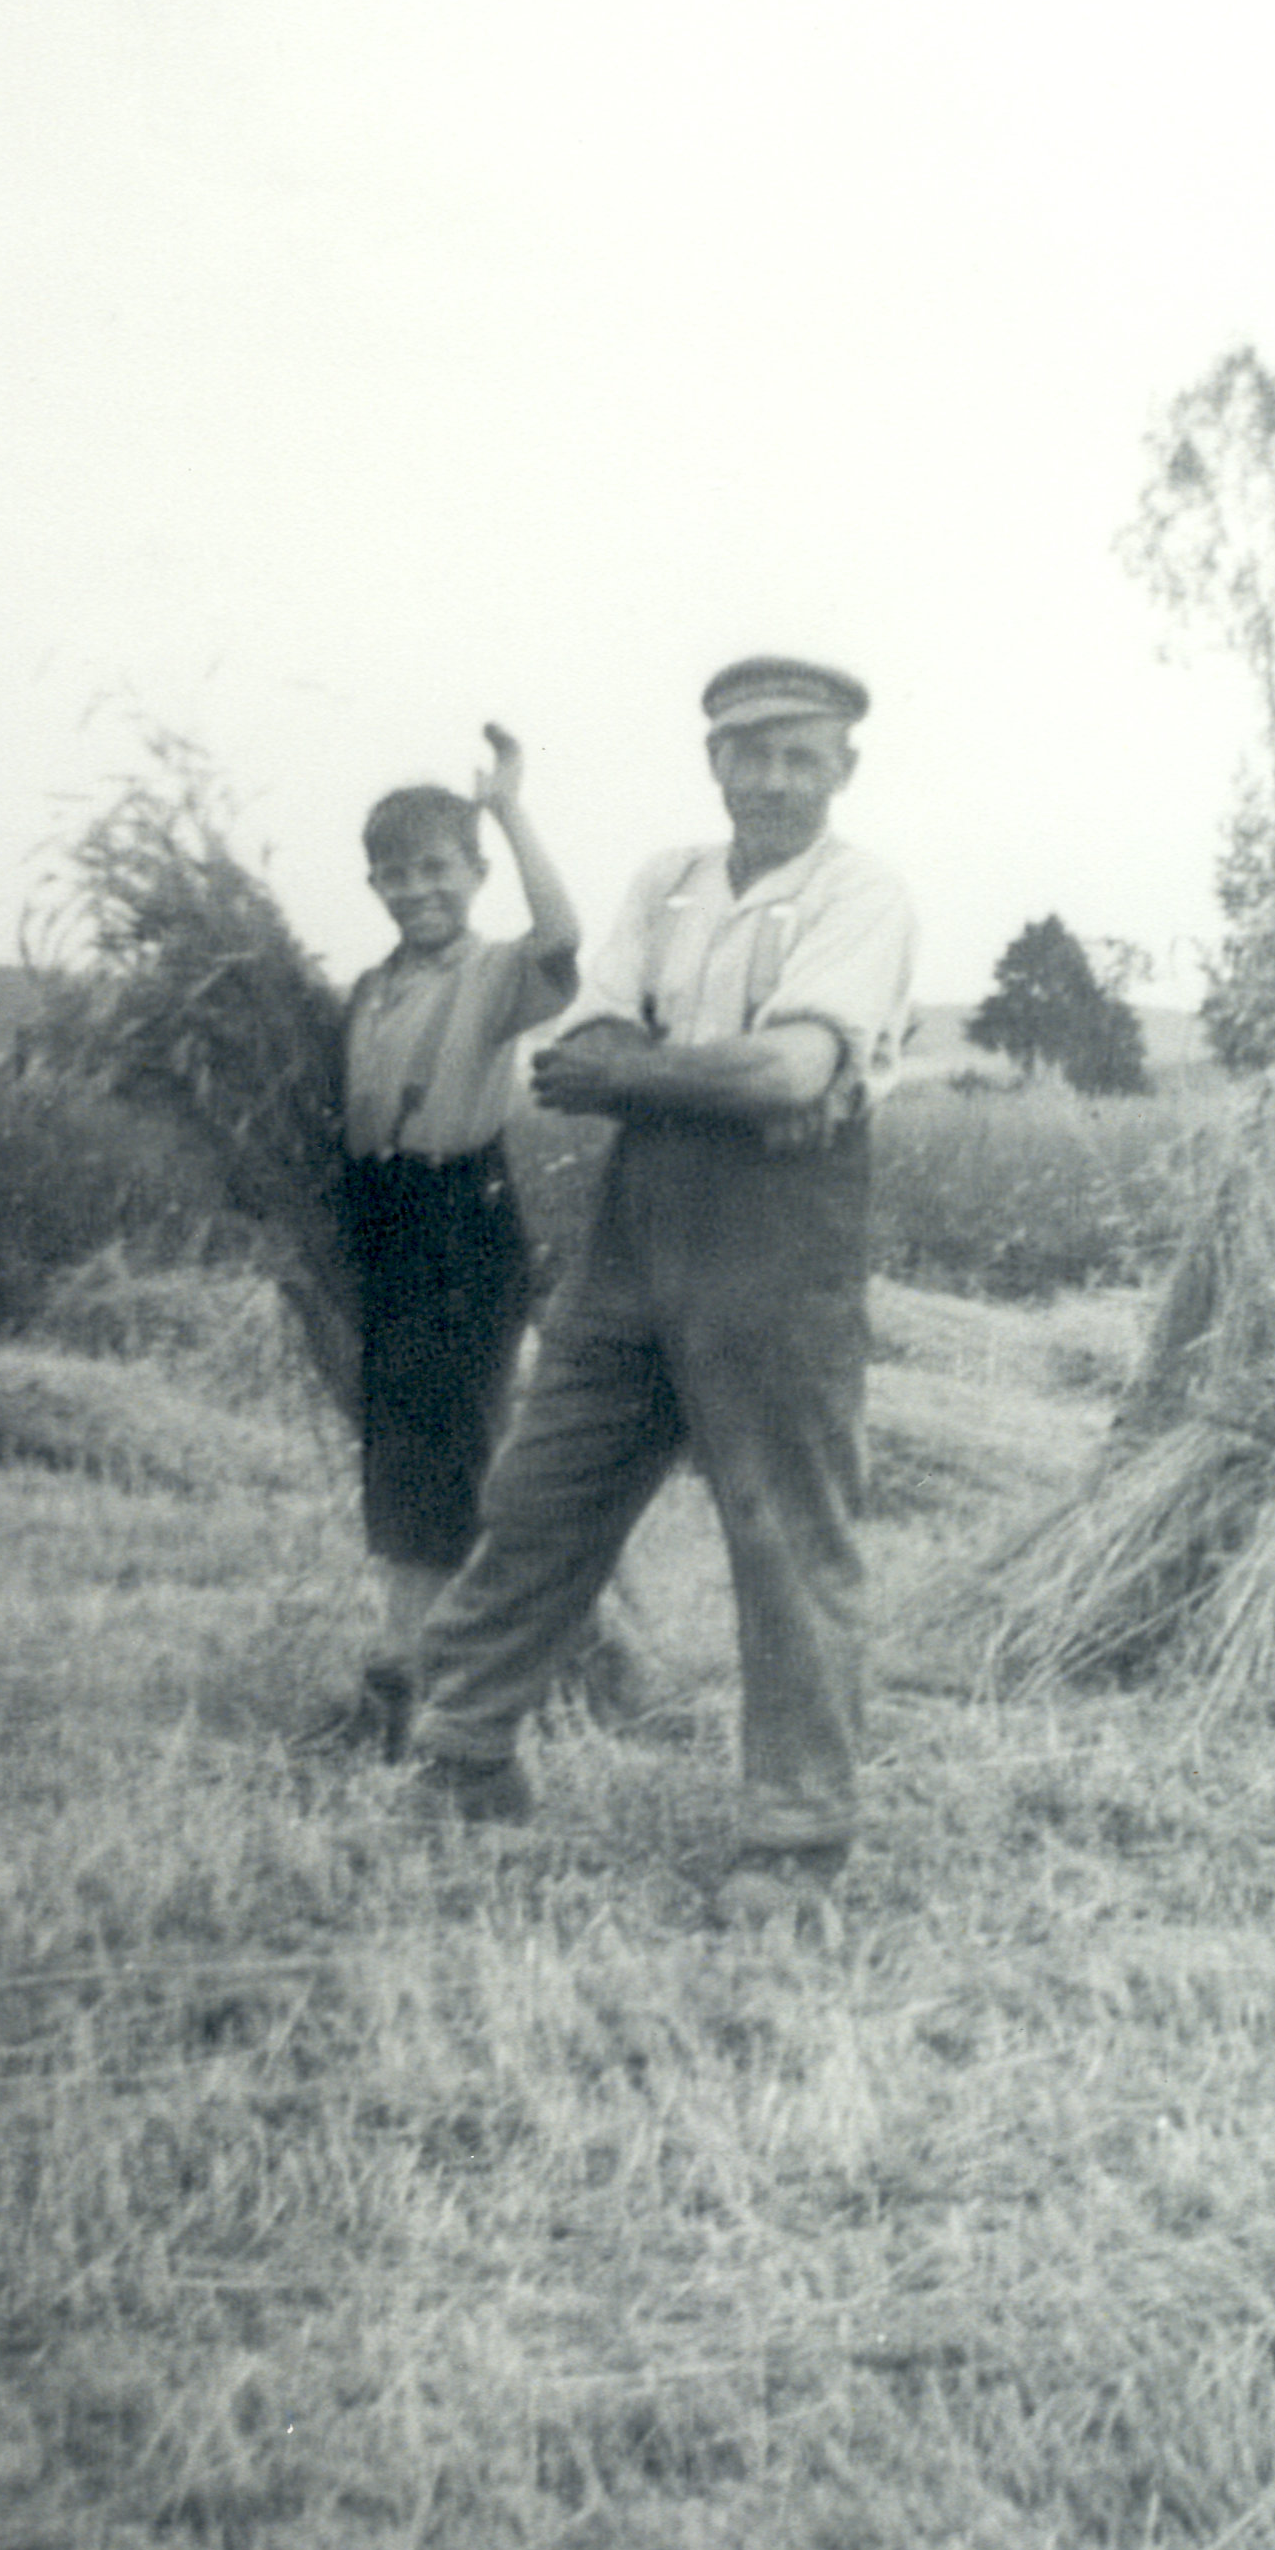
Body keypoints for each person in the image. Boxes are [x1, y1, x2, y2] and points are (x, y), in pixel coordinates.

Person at [404, 655, 917, 1922]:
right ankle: (462, 1757)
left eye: (801, 756)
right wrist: (720, 1076)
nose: (775, 780)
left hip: (779, 1249)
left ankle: (793, 1840)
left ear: (845, 768)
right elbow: (576, 1050)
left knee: (784, 1535)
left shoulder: (861, 893)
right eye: (751, 754)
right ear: (714, 762)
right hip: (633, 1238)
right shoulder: (665, 881)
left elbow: (788, 1077)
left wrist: (651, 1074)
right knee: (541, 1494)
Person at [312, 726, 580, 1759]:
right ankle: (407, 1663)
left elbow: (561, 933)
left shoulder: (497, 973)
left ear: (474, 874)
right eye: (395, 873)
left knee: (457, 1448)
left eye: (436, 868)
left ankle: (460, 1684)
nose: (416, 889)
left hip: (463, 1223)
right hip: (385, 1224)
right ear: (372, 885)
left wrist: (507, 809)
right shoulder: (368, 990)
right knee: (396, 1446)